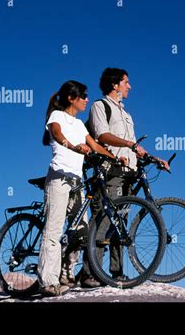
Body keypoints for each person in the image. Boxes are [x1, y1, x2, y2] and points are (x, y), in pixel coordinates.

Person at [87, 68, 169, 281]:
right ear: (115, 85)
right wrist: (130, 144)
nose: (130, 86)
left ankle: (116, 273)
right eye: (126, 82)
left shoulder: (126, 114)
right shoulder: (100, 106)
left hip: (129, 173)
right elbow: (101, 134)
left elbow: (134, 147)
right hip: (110, 170)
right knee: (104, 221)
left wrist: (155, 159)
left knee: (120, 224)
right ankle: (90, 275)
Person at [38, 80, 117, 297]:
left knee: (81, 231)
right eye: (83, 96)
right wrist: (72, 147)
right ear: (71, 98)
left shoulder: (80, 125)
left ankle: (65, 272)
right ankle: (48, 281)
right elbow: (56, 133)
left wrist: (117, 159)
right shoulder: (57, 117)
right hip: (59, 179)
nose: (87, 99)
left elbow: (95, 146)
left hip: (76, 182)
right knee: (53, 231)